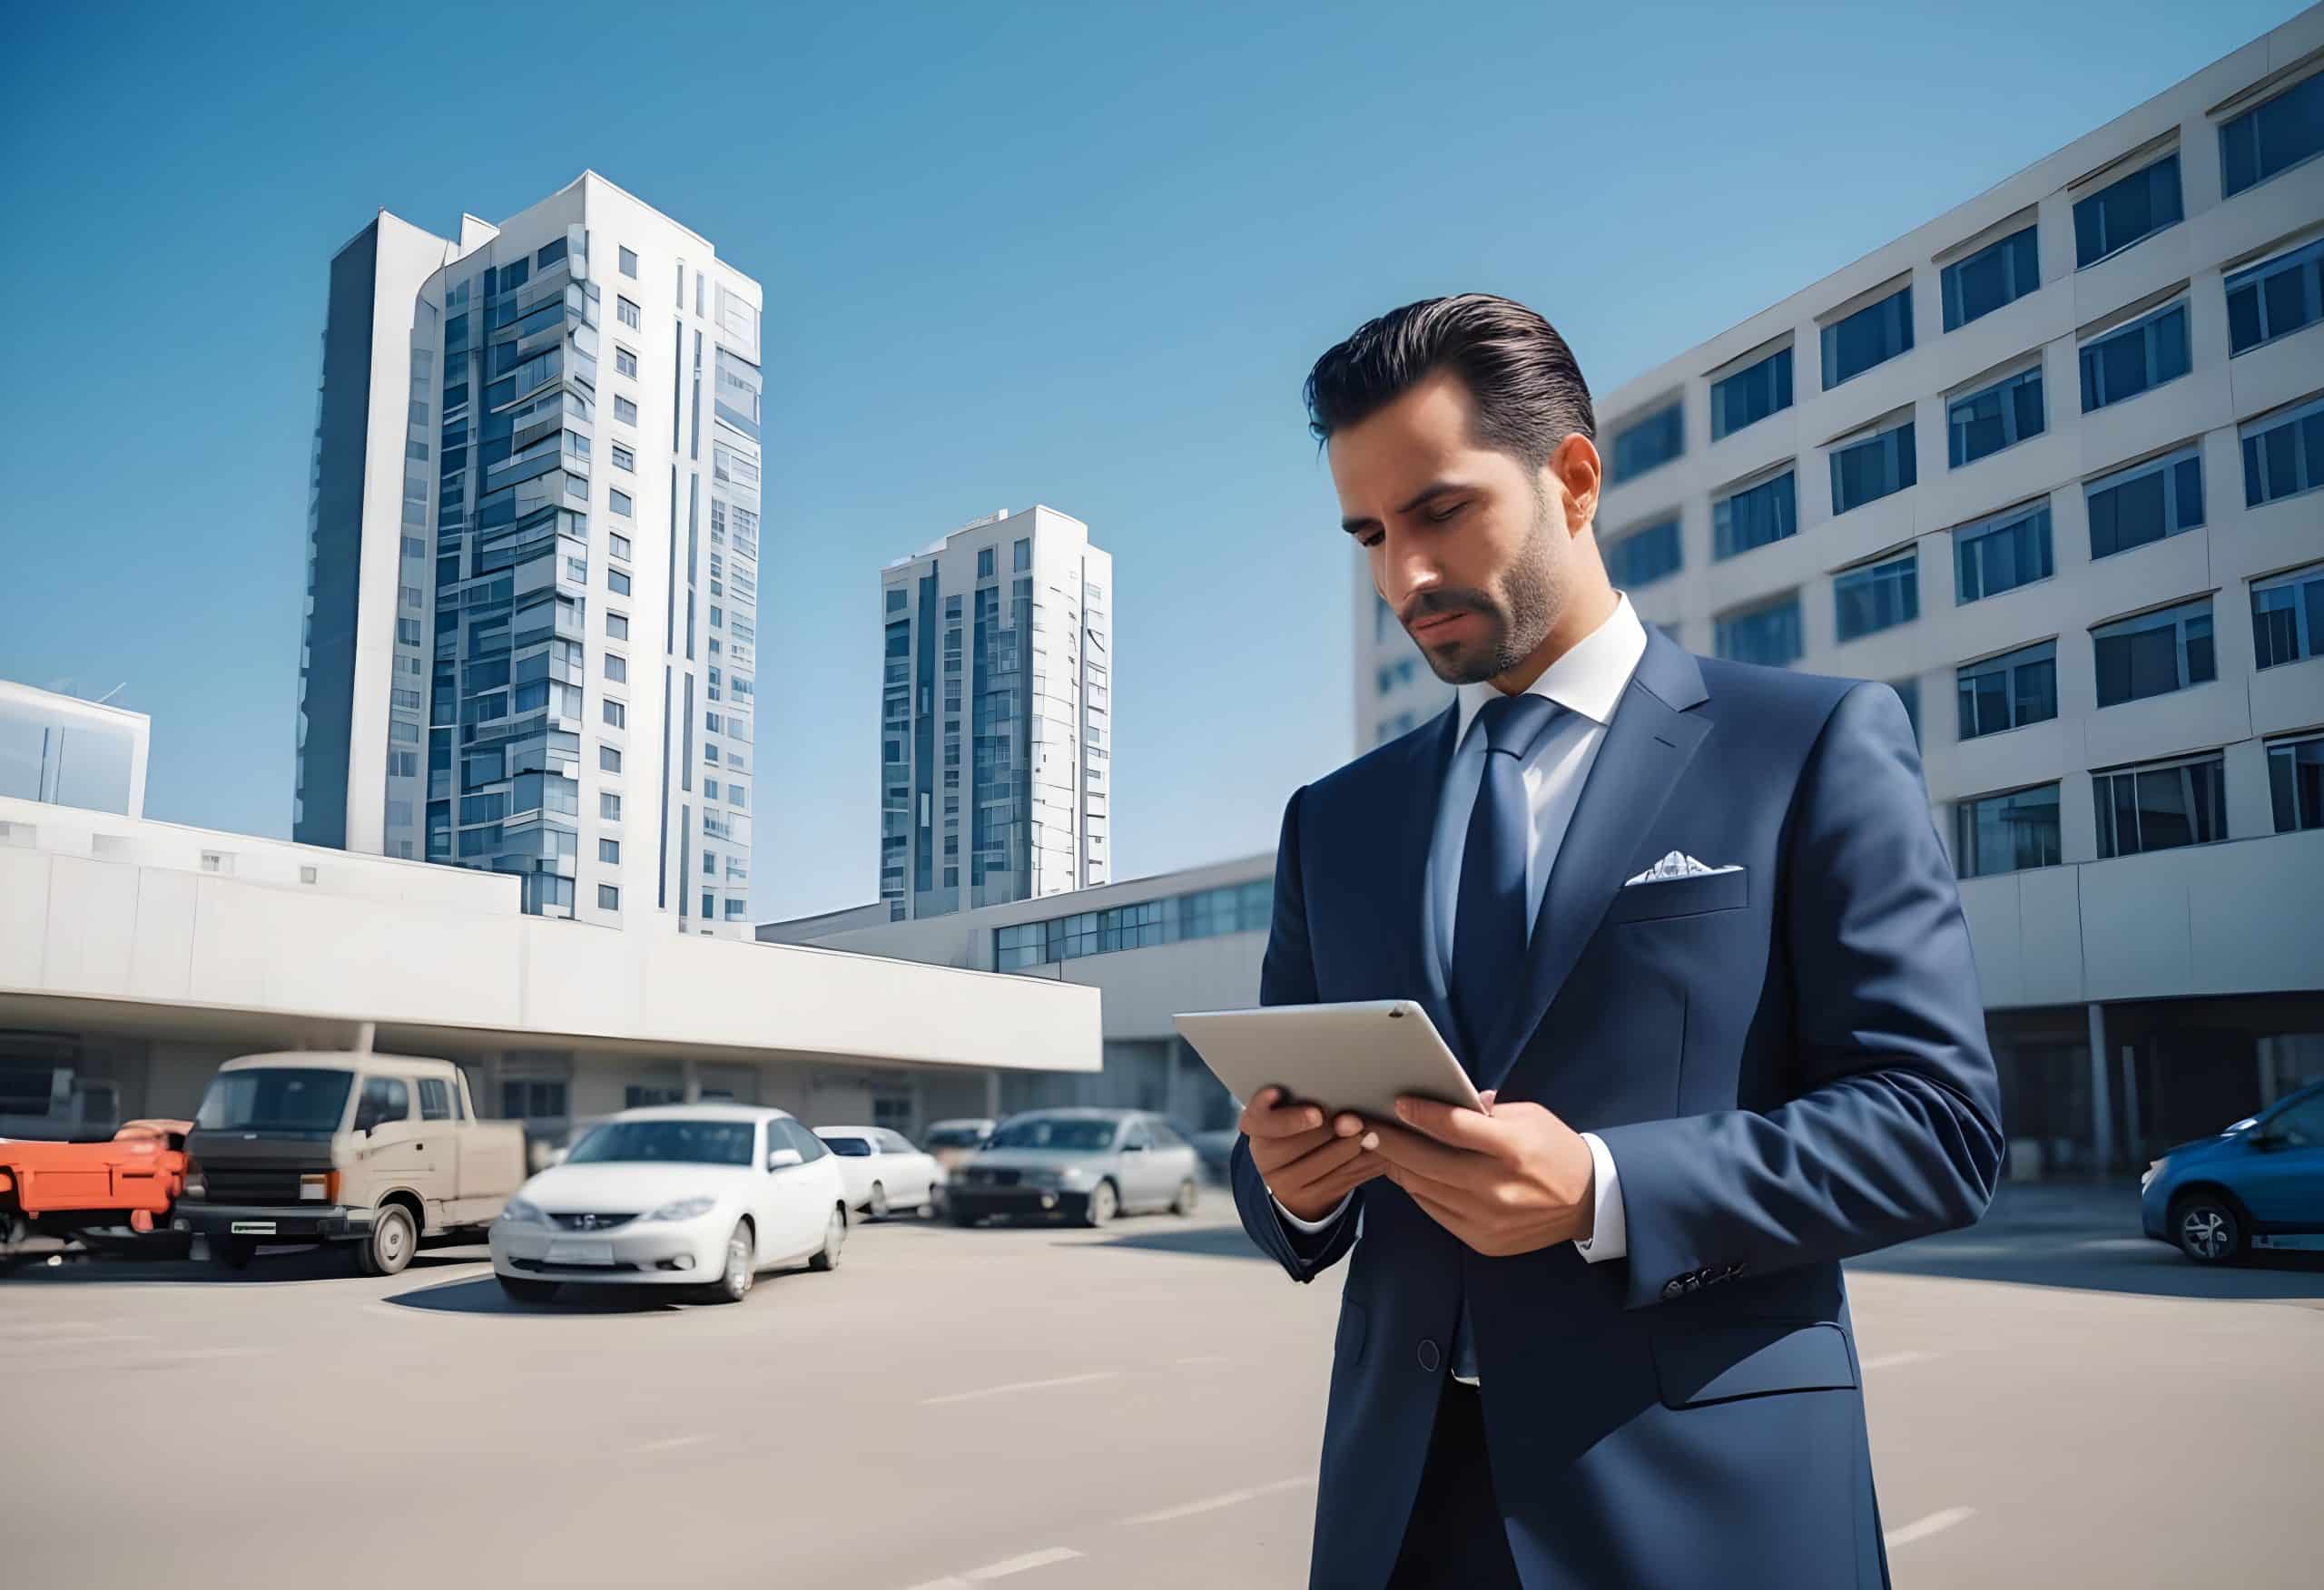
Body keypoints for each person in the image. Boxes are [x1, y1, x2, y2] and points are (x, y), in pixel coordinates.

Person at [1230, 294, 2004, 1589]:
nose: (1400, 579)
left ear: (1572, 479)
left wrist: (1603, 1187)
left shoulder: (1806, 748)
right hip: (1403, 1518)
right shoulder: (1336, 824)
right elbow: (1279, 1187)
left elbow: (1935, 1127)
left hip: (1702, 1512)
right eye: (1368, 533)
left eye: (1437, 511)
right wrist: (1289, 1187)